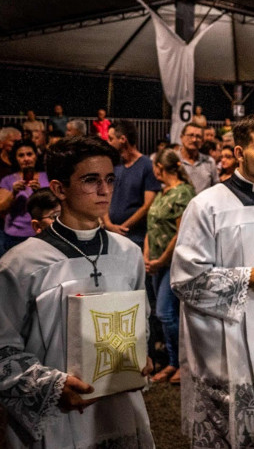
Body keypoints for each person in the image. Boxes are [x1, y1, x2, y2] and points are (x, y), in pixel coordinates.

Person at [0, 136, 154, 448]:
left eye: (110, 179)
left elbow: (141, 321)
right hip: (59, 419)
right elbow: (3, 349)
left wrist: (141, 354)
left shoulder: (127, 252)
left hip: (121, 407)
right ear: (59, 188)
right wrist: (51, 387)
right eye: (90, 180)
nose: (105, 190)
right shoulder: (22, 263)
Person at [171, 114, 254, 448]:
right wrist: (250, 277)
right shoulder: (207, 205)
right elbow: (186, 280)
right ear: (239, 152)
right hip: (224, 342)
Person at [144, 148, 195, 385]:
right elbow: (152, 226)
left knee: (166, 313)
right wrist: (147, 255)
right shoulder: (163, 193)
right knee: (162, 313)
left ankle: (182, 363)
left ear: (160, 168)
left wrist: (162, 259)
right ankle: (173, 362)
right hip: (156, 262)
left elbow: (181, 233)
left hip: (171, 262)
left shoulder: (182, 193)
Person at [105, 120, 160, 248]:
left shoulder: (146, 165)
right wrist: (108, 224)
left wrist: (122, 228)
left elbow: (148, 205)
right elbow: (105, 195)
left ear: (123, 139)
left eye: (111, 139)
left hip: (135, 238)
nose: (108, 143)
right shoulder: (115, 165)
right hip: (111, 235)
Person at [0, 139, 50, 252]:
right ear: (16, 159)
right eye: (21, 155)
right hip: (14, 236)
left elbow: (54, 206)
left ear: (36, 156)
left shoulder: (46, 177)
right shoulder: (8, 180)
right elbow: (2, 208)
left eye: (29, 154)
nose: (26, 159)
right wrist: (13, 193)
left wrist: (39, 193)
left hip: (42, 234)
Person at [177, 122, 219, 193]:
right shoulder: (173, 159)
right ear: (182, 137)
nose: (194, 139)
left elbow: (216, 187)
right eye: (190, 135)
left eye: (198, 136)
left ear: (202, 141)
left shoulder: (209, 162)